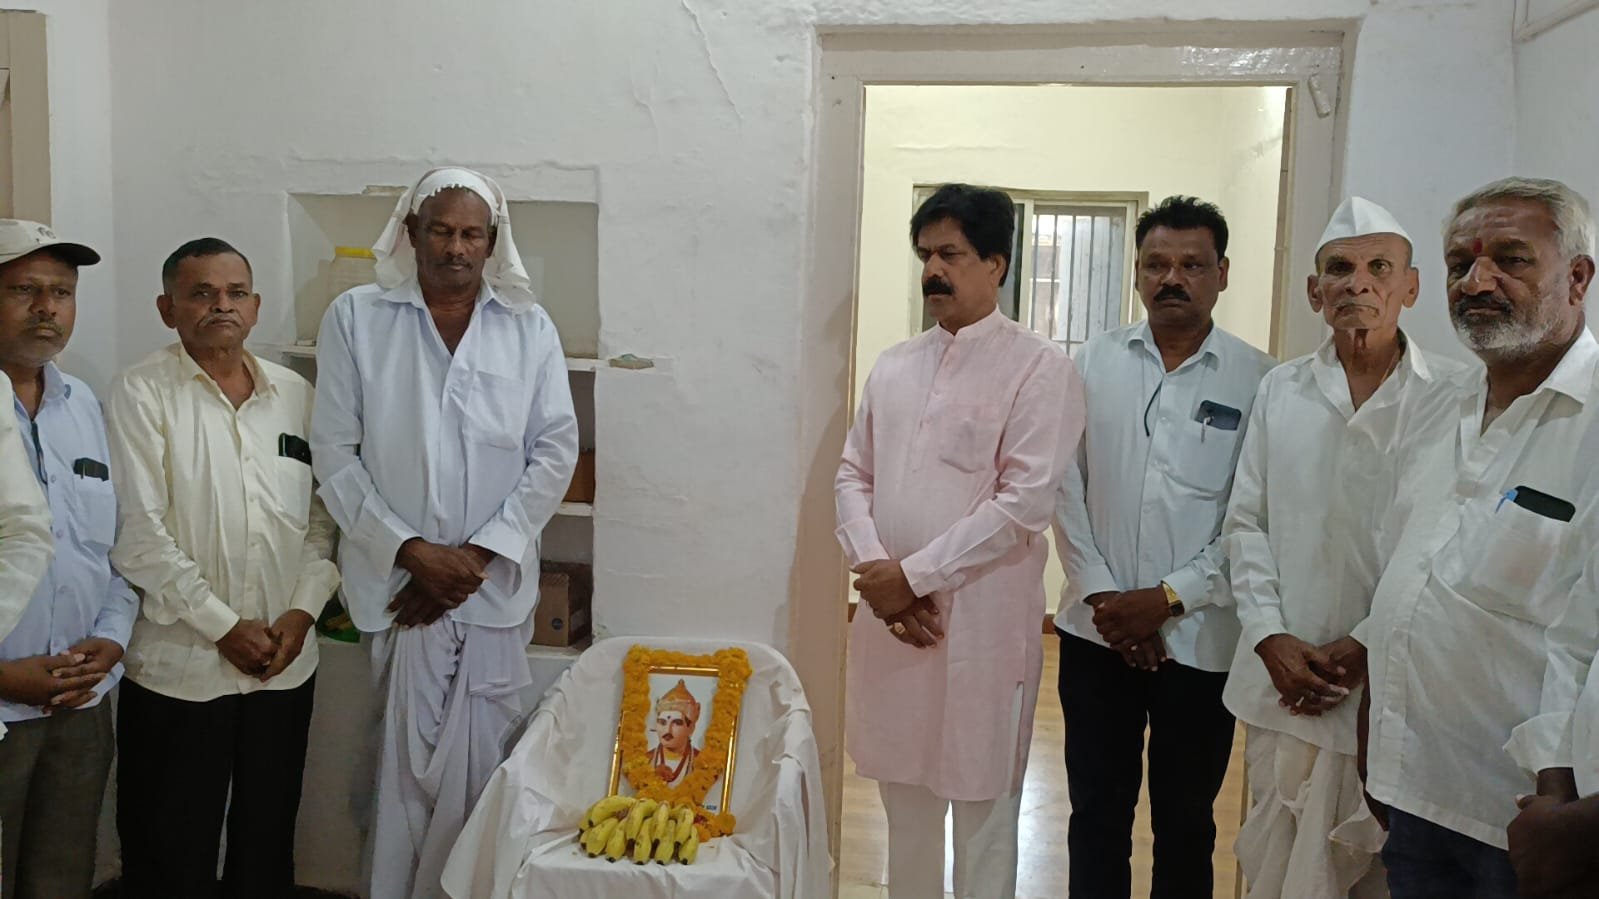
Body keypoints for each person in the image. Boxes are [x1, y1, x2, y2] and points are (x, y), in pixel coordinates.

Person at [310, 166, 578, 899]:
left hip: (489, 587)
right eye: (441, 230)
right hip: (399, 587)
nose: (456, 247)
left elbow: (554, 452)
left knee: (487, 770)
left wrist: (473, 558)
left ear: (492, 242)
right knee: (394, 774)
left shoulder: (528, 326)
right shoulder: (357, 318)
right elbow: (334, 451)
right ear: (411, 233)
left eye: (470, 234)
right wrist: (411, 552)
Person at [836, 182, 1084, 898]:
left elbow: (1023, 505)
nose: (932, 271)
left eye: (950, 254)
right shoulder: (894, 365)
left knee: (984, 818)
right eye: (925, 255)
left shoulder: (1040, 368)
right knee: (905, 809)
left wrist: (910, 576)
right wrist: (876, 571)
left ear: (996, 263)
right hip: (895, 624)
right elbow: (852, 473)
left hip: (980, 629)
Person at [1357, 177, 1599, 898]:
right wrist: (1375, 730)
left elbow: (1582, 639)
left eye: (1510, 259)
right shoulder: (1439, 407)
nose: (1476, 281)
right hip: (1413, 791)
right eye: (1460, 263)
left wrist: (1568, 809)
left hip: (1530, 822)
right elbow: (1403, 579)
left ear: (1577, 277)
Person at [1222, 197, 1463, 899]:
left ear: (1410, 287)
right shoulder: (1280, 389)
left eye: (1379, 268)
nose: (1358, 283)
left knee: (1378, 873)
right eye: (1339, 269)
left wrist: (1366, 642)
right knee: (1276, 865)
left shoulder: (1461, 396)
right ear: (1313, 291)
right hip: (1282, 685)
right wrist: (1268, 636)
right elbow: (1246, 523)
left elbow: (1448, 544)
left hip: (1393, 688)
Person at [1054, 195, 1275, 898]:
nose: (1171, 278)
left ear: (1222, 273)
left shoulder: (1262, 381)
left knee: (1186, 821)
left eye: (1191, 264)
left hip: (1200, 640)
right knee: (1096, 814)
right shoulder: (1090, 362)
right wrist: (1106, 599)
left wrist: (1167, 599)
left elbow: (1252, 514)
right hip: (1095, 634)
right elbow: (1062, 485)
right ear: (1137, 272)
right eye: (1155, 264)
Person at [107, 238, 339, 899]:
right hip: (181, 666)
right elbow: (139, 535)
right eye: (201, 293)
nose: (221, 305)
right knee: (168, 849)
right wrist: (224, 626)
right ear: (167, 308)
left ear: (256, 306)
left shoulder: (295, 395)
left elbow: (321, 519)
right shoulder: (141, 392)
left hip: (284, 661)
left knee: (266, 841)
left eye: (236, 293)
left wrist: (301, 612)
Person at [0, 219, 117, 899]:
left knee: (61, 880)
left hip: (80, 705)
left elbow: (113, 548)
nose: (47, 308)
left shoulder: (84, 408)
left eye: (62, 292)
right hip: (3, 703)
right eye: (24, 290)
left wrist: (111, 641)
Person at [649, 680, 700, 787]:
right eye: (662, 722)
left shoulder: (702, 763)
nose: (667, 730)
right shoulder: (646, 760)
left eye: (677, 723)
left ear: (690, 728)